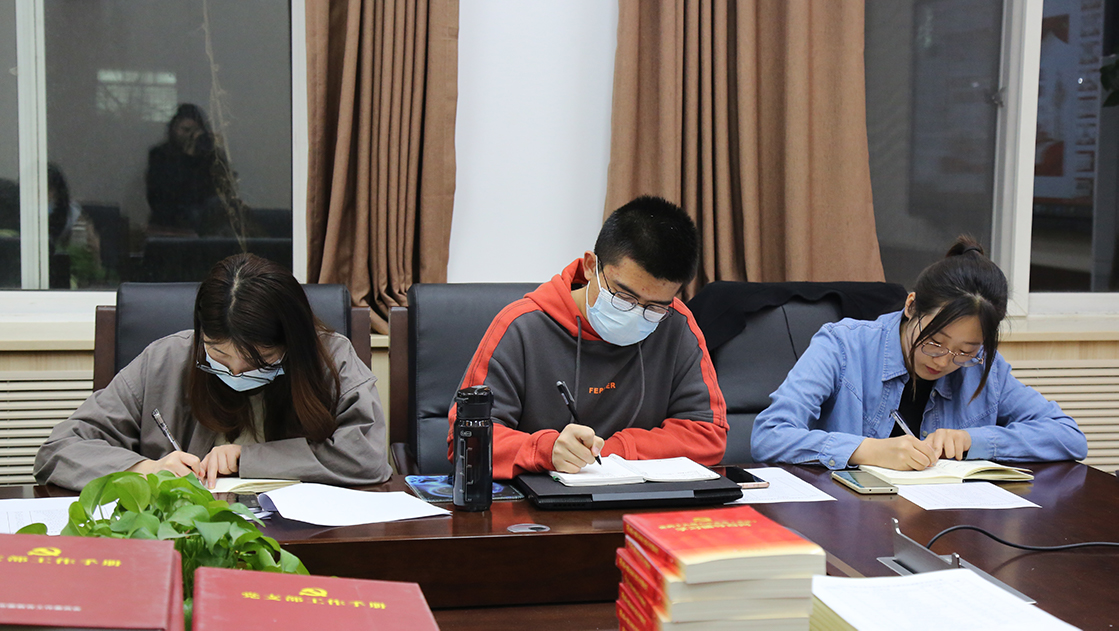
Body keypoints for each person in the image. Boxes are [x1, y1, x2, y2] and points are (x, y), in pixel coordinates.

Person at [34, 253, 392, 490]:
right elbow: (60, 450)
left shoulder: (330, 358)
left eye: (257, 361)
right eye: (218, 354)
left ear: (291, 342)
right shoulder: (166, 359)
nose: (235, 372)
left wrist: (246, 459)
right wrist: (144, 469)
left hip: (303, 539)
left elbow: (367, 458)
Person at [750, 236, 1088, 470]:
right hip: (848, 520)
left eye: (964, 351)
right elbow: (769, 435)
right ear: (911, 306)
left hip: (945, 521)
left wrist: (973, 440)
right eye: (935, 341)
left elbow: (1068, 436)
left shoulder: (984, 367)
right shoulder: (842, 346)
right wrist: (866, 450)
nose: (944, 360)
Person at [450, 196, 727, 479]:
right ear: (590, 265)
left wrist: (612, 451)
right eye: (624, 297)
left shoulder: (677, 324)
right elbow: (465, 440)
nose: (636, 314)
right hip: (542, 499)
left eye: (654, 307)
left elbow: (707, 434)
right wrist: (545, 450)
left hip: (644, 497)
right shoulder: (521, 327)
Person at [145, 103, 239, 236]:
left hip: (206, 219)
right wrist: (187, 158)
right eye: (186, 130)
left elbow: (218, 192)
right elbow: (163, 196)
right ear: (174, 129)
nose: (191, 136)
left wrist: (206, 154)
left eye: (196, 132)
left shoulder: (210, 157)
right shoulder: (160, 155)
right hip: (170, 219)